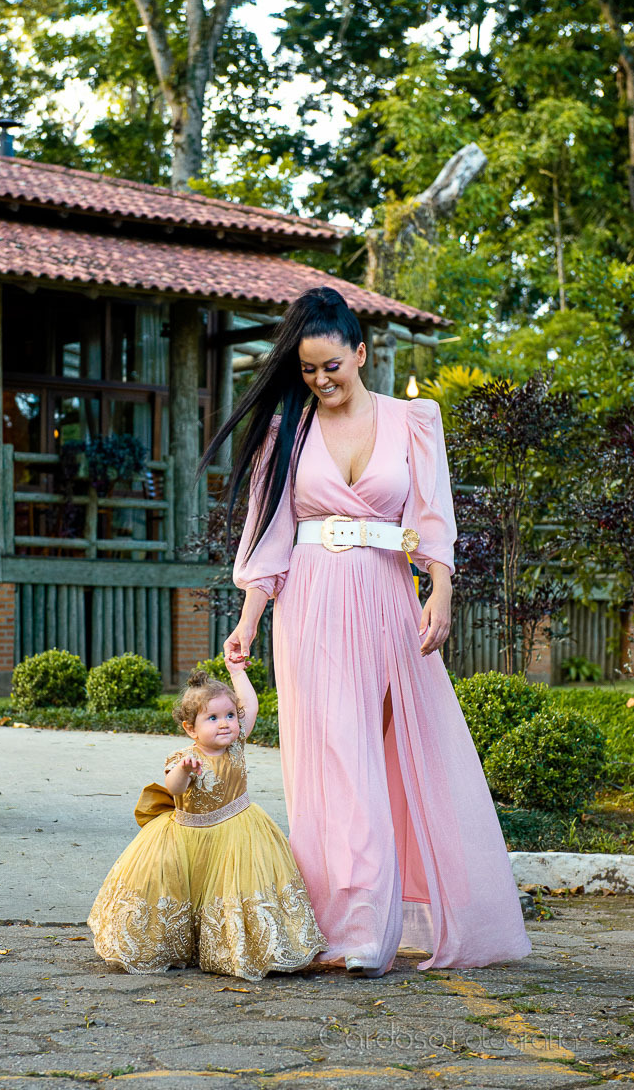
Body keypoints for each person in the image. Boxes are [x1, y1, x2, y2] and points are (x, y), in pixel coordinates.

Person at [199, 285, 531, 977]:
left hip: (387, 598)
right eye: (307, 370)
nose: (320, 380)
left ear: (361, 351)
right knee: (333, 764)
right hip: (311, 604)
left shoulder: (413, 420)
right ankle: (351, 933)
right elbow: (271, 532)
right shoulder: (284, 432)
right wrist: (248, 620)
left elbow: (432, 514)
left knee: (397, 756)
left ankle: (403, 916)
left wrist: (437, 590)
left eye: (332, 367)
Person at [86, 658, 327, 981]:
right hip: (188, 837)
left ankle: (237, 946)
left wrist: (237, 671)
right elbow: (173, 787)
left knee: (238, 887)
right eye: (212, 718)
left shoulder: (237, 746)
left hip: (239, 833)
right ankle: (177, 946)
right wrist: (184, 770)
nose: (225, 723)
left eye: (229, 715)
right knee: (179, 887)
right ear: (191, 728)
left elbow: (250, 705)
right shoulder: (186, 758)